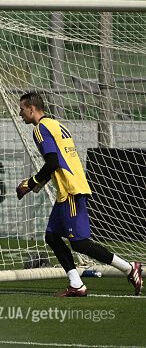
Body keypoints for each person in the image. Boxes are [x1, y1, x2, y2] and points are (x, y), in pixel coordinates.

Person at [16, 92, 143, 297]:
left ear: (31, 109)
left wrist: (29, 184)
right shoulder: (57, 125)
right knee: (52, 236)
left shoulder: (40, 129)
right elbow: (58, 162)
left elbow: (52, 163)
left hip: (70, 190)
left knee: (79, 242)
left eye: (21, 109)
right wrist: (39, 183)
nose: (19, 113)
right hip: (68, 189)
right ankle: (76, 284)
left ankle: (129, 268)